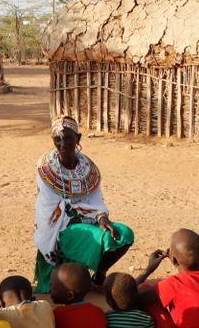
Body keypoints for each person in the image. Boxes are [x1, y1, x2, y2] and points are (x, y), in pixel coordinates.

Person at [33, 115, 134, 293]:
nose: (63, 143)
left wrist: (102, 217)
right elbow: (47, 210)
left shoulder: (88, 169)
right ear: (53, 140)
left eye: (68, 137)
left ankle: (99, 274)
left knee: (124, 234)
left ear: (78, 139)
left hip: (89, 220)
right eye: (58, 138)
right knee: (92, 235)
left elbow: (96, 200)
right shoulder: (46, 169)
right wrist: (76, 216)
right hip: (61, 227)